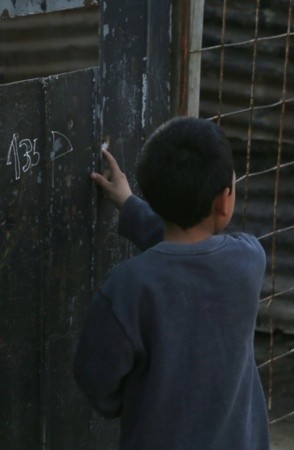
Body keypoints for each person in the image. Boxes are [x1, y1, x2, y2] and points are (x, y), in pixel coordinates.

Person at [73, 117, 269, 449]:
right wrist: (132, 208)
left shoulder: (127, 287)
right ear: (224, 201)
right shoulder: (249, 260)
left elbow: (95, 380)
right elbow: (190, 256)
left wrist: (143, 398)